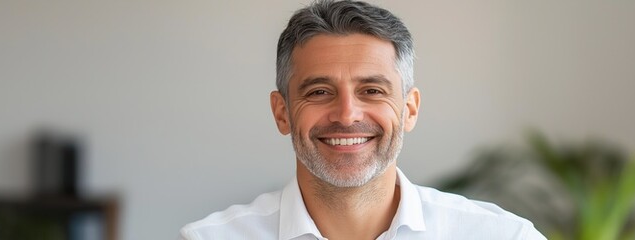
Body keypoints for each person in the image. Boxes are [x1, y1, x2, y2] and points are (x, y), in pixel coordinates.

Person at [180, 0, 546, 239]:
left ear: (409, 110)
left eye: (372, 90)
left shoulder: (502, 235)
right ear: (282, 112)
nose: (347, 115)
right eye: (320, 92)